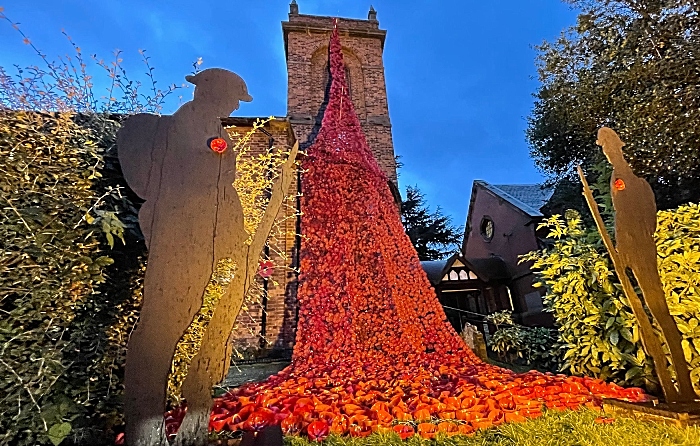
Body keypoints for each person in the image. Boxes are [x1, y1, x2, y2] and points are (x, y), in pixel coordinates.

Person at [118, 68, 252, 445]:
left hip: (204, 244)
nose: (231, 106)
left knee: (181, 317)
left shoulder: (217, 132)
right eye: (230, 98)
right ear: (210, 91)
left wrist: (234, 238)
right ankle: (144, 424)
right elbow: (193, 180)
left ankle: (168, 419)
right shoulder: (180, 129)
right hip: (178, 237)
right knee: (159, 327)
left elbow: (223, 193)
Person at [597, 127, 694, 400]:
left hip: (637, 247)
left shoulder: (623, 178)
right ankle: (677, 384)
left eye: (607, 147)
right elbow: (646, 217)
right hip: (644, 245)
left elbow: (624, 215)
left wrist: (623, 248)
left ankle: (680, 387)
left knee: (655, 306)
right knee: (654, 306)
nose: (607, 153)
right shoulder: (637, 182)